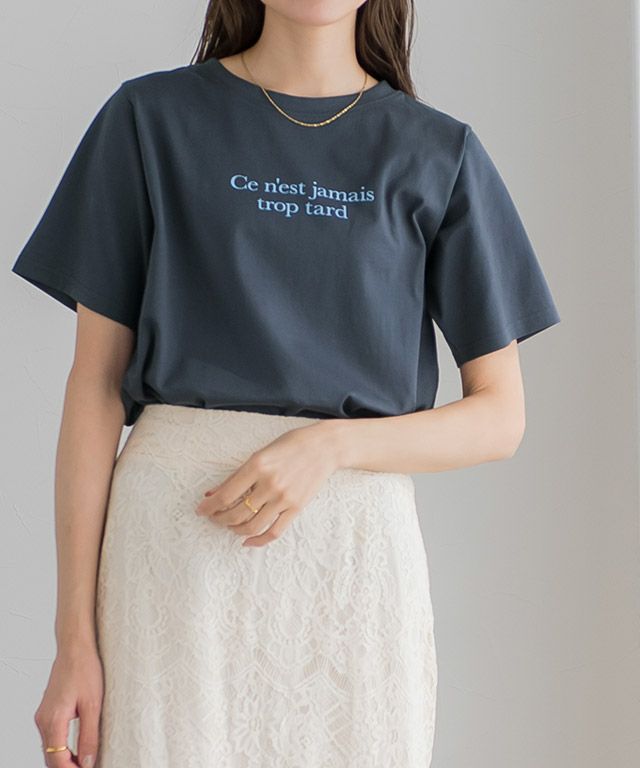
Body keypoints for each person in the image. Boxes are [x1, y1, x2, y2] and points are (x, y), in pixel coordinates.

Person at [11, 1, 561, 767]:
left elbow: (500, 416)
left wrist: (329, 447)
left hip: (353, 568)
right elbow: (96, 386)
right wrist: (74, 639)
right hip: (174, 556)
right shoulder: (149, 119)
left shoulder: (439, 153)